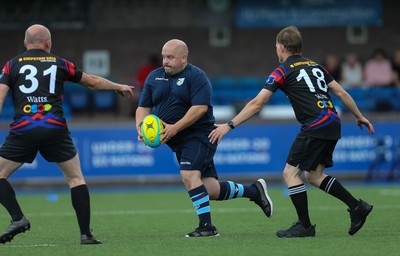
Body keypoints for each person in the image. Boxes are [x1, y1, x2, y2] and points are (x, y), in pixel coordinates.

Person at [209, 26, 375, 238]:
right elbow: (341, 92)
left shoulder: (282, 70)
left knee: (290, 173)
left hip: (315, 124)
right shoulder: (317, 66)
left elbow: (258, 103)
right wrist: (359, 116)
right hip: (333, 121)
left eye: (276, 47)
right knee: (313, 176)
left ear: (282, 47)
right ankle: (357, 207)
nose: (276, 51)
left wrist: (229, 125)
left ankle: (304, 226)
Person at [0, 24, 134, 245]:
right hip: (55, 129)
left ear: (25, 43)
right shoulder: (59, 63)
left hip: (23, 130)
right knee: (75, 178)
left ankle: (18, 218)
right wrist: (117, 86)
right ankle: (85, 234)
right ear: (48, 43)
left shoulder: (11, 65)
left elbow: (1, 97)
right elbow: (91, 81)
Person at [135, 39, 273, 237]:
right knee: (210, 189)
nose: (165, 61)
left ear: (184, 58)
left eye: (170, 57)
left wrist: (174, 128)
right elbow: (143, 107)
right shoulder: (154, 77)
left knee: (189, 175)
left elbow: (199, 109)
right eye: (164, 57)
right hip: (176, 140)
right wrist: (140, 127)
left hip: (199, 134)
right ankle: (254, 191)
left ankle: (207, 228)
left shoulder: (197, 77)